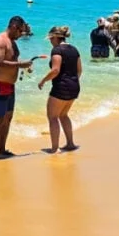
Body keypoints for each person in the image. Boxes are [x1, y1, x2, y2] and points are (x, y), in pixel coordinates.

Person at [0, 15, 35, 160]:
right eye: (20, 31)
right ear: (14, 27)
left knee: (7, 119)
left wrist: (24, 65)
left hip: (10, 86)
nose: (21, 35)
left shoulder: (13, 42)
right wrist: (20, 65)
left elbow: (12, 60)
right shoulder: (0, 41)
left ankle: (1, 150)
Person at [38, 25, 82, 154]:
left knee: (53, 117)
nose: (50, 42)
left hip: (61, 87)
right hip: (74, 86)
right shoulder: (74, 49)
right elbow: (79, 70)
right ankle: (70, 143)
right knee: (63, 115)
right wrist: (72, 82)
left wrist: (43, 81)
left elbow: (55, 70)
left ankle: (55, 148)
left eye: (51, 39)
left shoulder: (57, 50)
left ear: (55, 37)